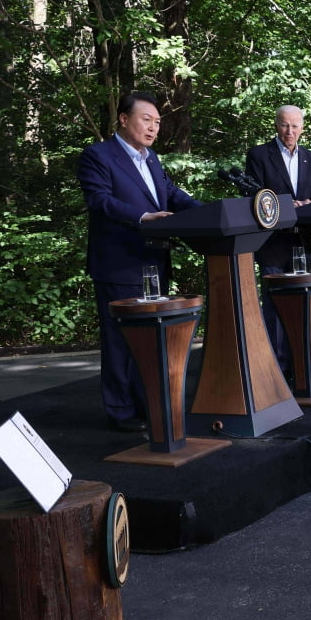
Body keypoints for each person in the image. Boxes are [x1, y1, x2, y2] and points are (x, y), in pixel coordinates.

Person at [77, 92, 200, 432]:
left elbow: (172, 195)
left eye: (158, 122)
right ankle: (120, 411)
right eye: (147, 119)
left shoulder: (152, 159)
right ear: (124, 119)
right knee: (120, 341)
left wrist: (209, 213)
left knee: (150, 340)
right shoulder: (98, 156)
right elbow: (100, 200)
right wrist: (144, 216)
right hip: (118, 262)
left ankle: (147, 406)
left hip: (154, 260)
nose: (153, 127)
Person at [245, 105, 311, 372]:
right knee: (275, 307)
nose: (289, 131)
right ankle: (276, 370)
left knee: (302, 304)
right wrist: (289, 204)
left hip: (302, 242)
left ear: (302, 127)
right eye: (284, 125)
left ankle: (302, 366)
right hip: (272, 244)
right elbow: (255, 197)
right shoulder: (258, 155)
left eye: (294, 126)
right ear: (275, 126)